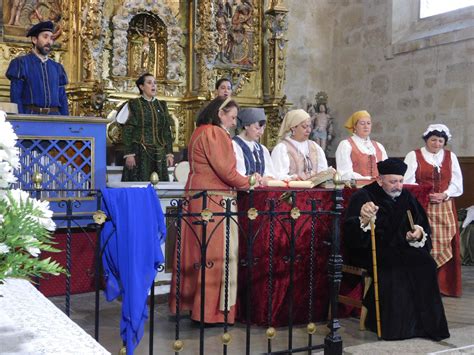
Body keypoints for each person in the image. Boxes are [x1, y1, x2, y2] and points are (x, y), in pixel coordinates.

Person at [169, 96, 262, 324]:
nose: (233, 123)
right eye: (231, 117)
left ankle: (193, 306)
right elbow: (226, 172)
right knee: (215, 257)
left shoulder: (199, 131)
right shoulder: (215, 133)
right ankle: (209, 312)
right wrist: (250, 181)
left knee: (196, 255)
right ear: (220, 113)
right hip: (214, 201)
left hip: (197, 198)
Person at [344, 158, 450, 341]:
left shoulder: (407, 197)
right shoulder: (364, 196)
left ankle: (425, 326)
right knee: (395, 267)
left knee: (426, 263)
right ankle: (397, 329)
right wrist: (364, 218)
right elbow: (351, 233)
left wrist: (417, 234)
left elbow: (421, 224)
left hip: (403, 247)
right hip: (370, 249)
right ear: (380, 180)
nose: (398, 186)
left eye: (401, 181)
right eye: (393, 181)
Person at [404, 124, 463, 297]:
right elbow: (408, 182)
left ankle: (443, 285)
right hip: (422, 206)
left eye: (440, 141)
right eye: (433, 140)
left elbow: (457, 183)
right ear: (426, 139)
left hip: (445, 206)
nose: (437, 144)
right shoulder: (414, 155)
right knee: (424, 241)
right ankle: (422, 284)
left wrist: (445, 194)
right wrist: (424, 194)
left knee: (445, 242)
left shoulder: (450, 157)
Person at [6, 21, 69, 115]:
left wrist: (65, 124)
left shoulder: (57, 68)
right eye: (45, 37)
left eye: (51, 38)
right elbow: (16, 98)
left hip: (55, 119)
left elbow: (63, 99)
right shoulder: (21, 64)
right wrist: (21, 121)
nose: (49, 42)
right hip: (31, 118)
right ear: (35, 40)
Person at [121, 73, 174, 182]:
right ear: (141, 87)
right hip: (140, 153)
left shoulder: (162, 105)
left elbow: (166, 130)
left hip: (159, 153)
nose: (153, 85)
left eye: (155, 83)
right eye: (149, 83)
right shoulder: (134, 104)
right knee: (139, 187)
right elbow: (128, 130)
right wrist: (129, 154)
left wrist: (169, 153)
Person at [271, 109, 328, 180]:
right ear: (293, 128)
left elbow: (323, 170)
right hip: (291, 191)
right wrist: (292, 178)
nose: (308, 130)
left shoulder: (314, 146)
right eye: (304, 127)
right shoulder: (282, 148)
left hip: (315, 190)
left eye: (309, 126)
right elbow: (277, 176)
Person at [335, 110, 387, 180]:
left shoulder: (379, 146)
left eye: (368, 123)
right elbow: (344, 173)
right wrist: (368, 179)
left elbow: (387, 171)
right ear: (355, 126)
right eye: (362, 123)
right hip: (356, 189)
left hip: (378, 189)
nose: (366, 126)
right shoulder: (346, 145)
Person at [232, 107, 275, 180]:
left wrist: (267, 178)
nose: (261, 132)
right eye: (257, 128)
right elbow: (237, 173)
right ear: (246, 125)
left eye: (263, 128)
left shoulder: (261, 149)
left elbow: (270, 173)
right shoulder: (234, 145)